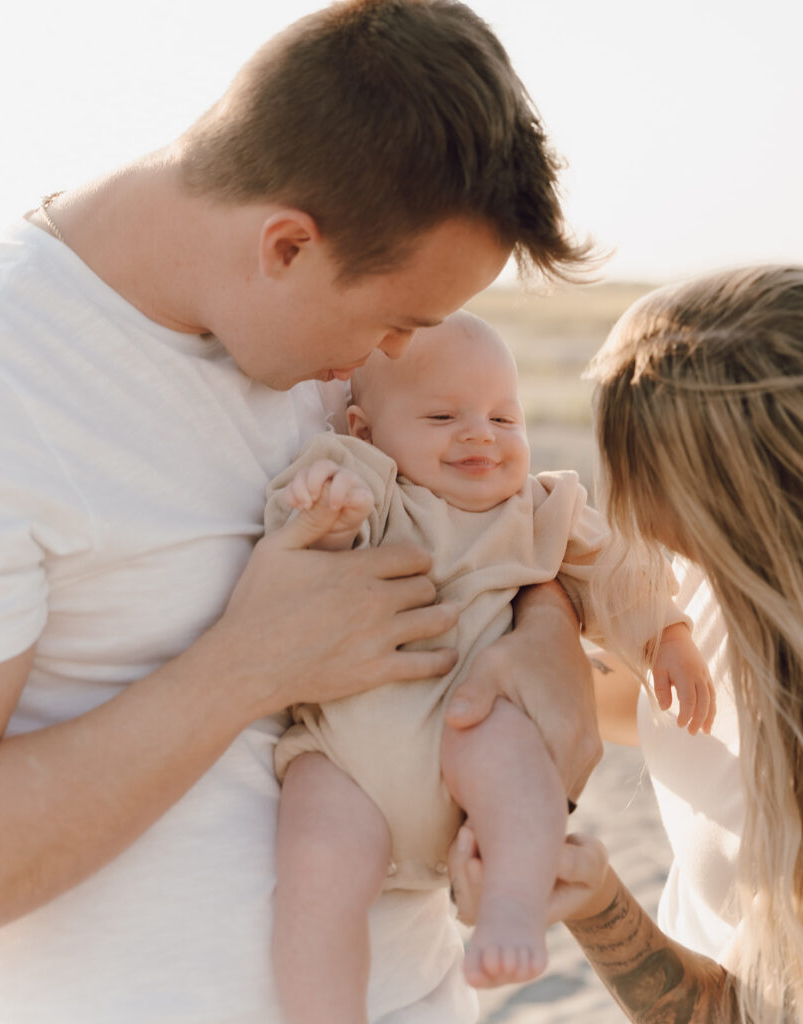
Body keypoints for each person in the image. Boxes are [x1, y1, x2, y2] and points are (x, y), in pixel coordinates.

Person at [0, 3, 603, 1022]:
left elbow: (482, 539)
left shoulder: (317, 336)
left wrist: (549, 638)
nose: (398, 356)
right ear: (284, 245)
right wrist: (245, 666)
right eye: (396, 320)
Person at [264, 311, 713, 1023]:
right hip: (346, 763)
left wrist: (667, 636)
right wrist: (324, 509)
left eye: (505, 418)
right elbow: (295, 551)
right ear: (362, 430)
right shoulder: (372, 490)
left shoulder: (537, 509)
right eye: (443, 415)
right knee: (314, 874)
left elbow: (618, 572)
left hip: (471, 743)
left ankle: (508, 907)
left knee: (514, 761)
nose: (480, 433)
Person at [450, 265, 803, 1023]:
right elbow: (650, 711)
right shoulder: (712, 582)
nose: (615, 500)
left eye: (630, 462)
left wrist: (598, 903)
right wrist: (544, 616)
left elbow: (735, 1014)